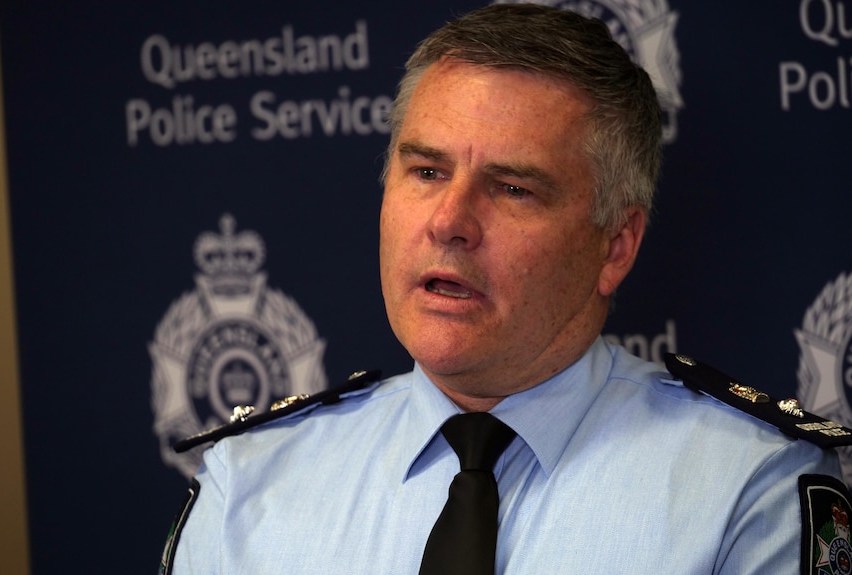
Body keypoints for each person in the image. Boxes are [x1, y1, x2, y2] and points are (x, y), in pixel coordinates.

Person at [161, 4, 851, 574]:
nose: (449, 222)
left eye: (513, 188)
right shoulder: (249, 481)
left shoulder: (749, 488)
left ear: (616, 245)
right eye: (426, 171)